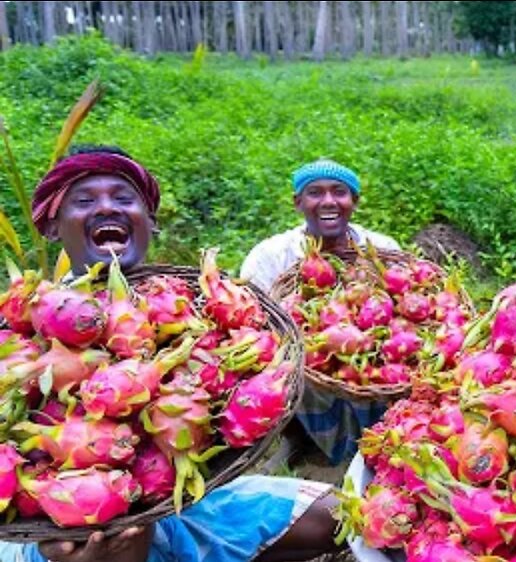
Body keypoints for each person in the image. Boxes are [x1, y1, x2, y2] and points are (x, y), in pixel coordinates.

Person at [0, 145, 340, 562]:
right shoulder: (25, 329)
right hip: (58, 537)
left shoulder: (188, 306)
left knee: (338, 516)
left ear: (150, 223)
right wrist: (56, 522)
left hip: (180, 506)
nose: (107, 208)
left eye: (125, 199)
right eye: (84, 201)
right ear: (53, 228)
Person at [239, 158, 400, 466]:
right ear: (298, 202)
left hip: (373, 365)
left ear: (354, 200)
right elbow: (251, 318)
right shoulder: (270, 256)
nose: (329, 201)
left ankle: (379, 442)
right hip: (297, 362)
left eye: (339, 192)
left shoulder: (380, 248)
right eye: (315, 192)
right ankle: (291, 436)